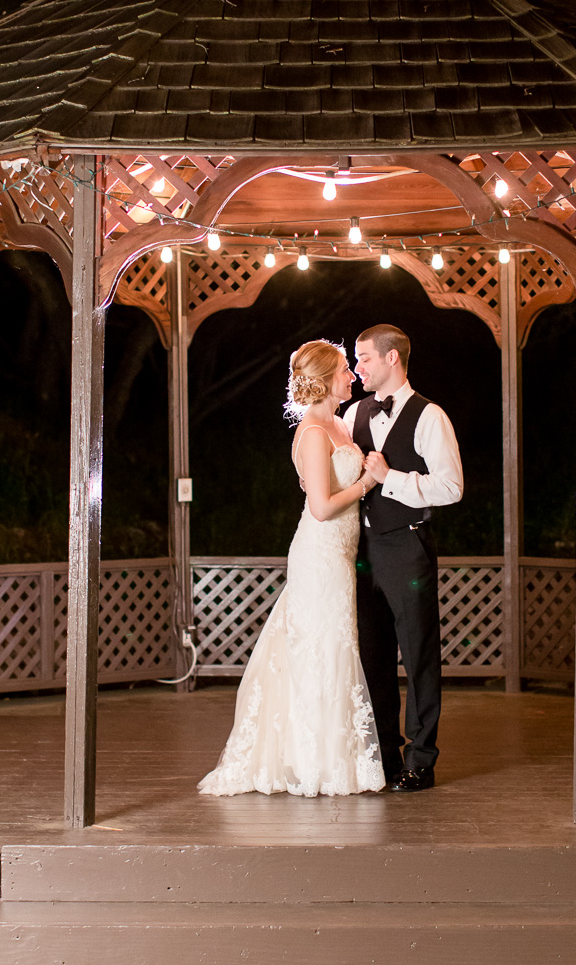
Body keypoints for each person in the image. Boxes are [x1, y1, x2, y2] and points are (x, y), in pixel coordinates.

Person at [198, 340, 385, 797]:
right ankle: (311, 759)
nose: (352, 376)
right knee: (322, 649)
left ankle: (330, 755)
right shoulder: (314, 433)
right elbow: (320, 507)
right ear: (324, 379)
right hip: (320, 552)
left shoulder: (339, 423)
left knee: (334, 647)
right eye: (345, 369)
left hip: (341, 551)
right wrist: (366, 483)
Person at [343, 324, 463, 792]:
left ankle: (421, 759)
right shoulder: (352, 412)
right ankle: (384, 756)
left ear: (393, 358)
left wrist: (391, 478)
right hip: (359, 552)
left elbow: (451, 488)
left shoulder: (431, 416)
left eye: (365, 358)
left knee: (418, 657)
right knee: (371, 656)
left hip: (407, 547)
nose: (359, 368)